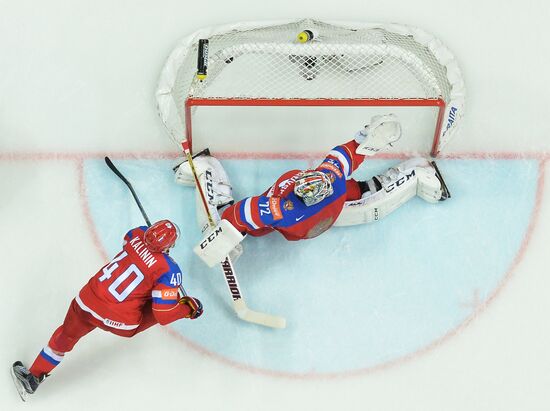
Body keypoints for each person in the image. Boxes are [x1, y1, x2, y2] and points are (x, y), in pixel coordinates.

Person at [175, 114, 450, 267]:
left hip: (316, 218)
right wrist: (226, 236)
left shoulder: (326, 177)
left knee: (369, 205)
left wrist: (365, 140)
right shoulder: (281, 207)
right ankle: (206, 169)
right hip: (300, 223)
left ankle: (416, 175)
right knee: (363, 199)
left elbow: (349, 154)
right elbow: (237, 215)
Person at [11, 220, 203, 401]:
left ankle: (34, 377)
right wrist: (187, 308)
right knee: (168, 299)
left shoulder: (136, 233)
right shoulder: (170, 270)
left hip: (86, 302)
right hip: (120, 321)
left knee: (65, 336)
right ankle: (178, 302)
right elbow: (163, 316)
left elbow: (127, 242)